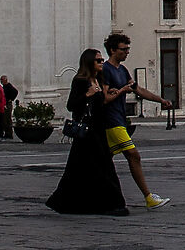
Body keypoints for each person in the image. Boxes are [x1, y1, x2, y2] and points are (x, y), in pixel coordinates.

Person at [45, 49, 129, 216]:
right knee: (98, 166)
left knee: (87, 167)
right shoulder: (81, 81)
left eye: (102, 60)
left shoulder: (98, 80)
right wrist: (87, 95)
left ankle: (96, 203)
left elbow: (100, 104)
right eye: (98, 60)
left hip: (98, 129)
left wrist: (112, 93)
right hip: (88, 131)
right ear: (89, 62)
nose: (101, 62)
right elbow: (71, 105)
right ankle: (110, 204)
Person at [101, 33, 172, 209]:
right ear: (112, 50)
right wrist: (122, 90)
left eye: (128, 49)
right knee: (134, 155)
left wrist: (160, 100)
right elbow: (105, 96)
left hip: (118, 119)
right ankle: (148, 197)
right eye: (123, 49)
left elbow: (138, 90)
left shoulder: (122, 70)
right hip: (111, 121)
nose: (127, 53)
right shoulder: (106, 70)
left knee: (104, 160)